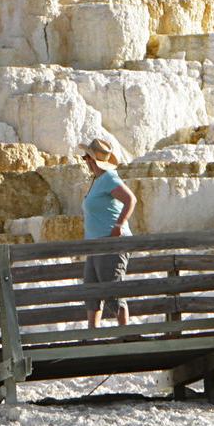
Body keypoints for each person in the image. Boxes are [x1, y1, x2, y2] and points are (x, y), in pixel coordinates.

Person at [78, 137, 137, 329]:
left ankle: (125, 334)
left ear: (92, 159)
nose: (84, 160)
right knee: (92, 288)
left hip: (110, 243)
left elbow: (131, 200)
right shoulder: (97, 180)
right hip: (95, 244)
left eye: (86, 157)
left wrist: (119, 225)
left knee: (112, 287)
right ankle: (91, 334)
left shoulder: (109, 177)